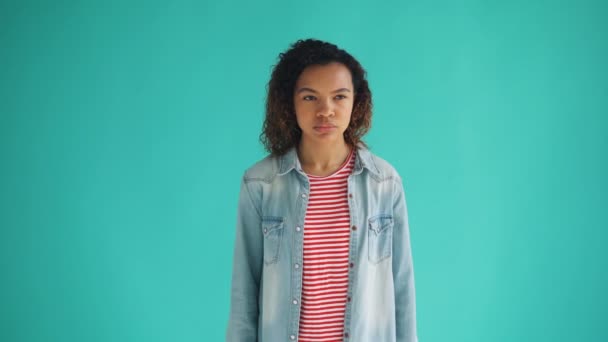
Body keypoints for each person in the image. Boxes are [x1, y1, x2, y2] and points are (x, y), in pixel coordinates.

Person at [226, 38, 418, 342]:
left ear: (356, 101)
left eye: (339, 97)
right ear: (289, 102)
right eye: (310, 98)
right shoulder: (260, 184)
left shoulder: (384, 182)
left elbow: (402, 289)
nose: (325, 110)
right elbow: (244, 296)